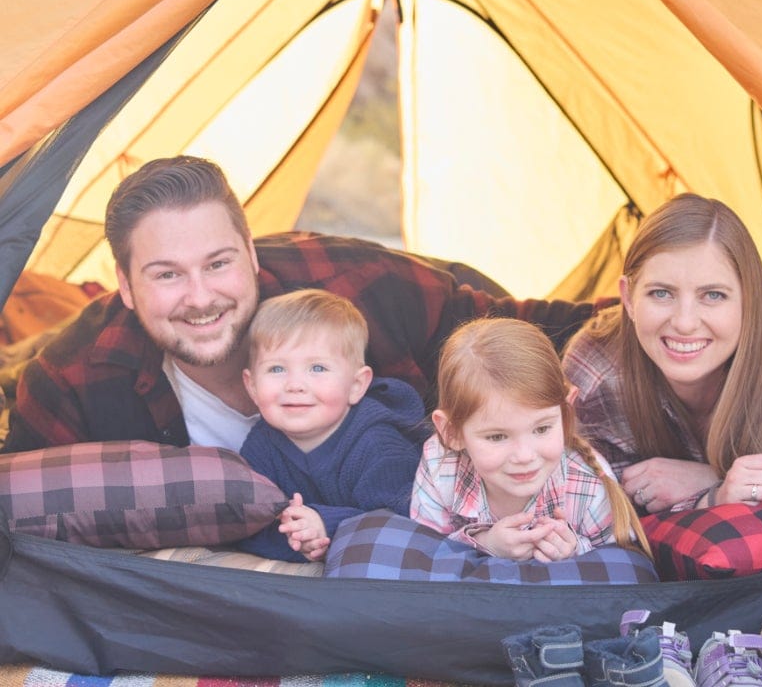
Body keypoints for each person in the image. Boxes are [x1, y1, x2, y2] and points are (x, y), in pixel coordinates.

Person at [3, 155, 600, 454]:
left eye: (218, 263)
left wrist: (666, 322)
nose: (202, 297)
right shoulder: (72, 379)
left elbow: (539, 332)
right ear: (125, 287)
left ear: (251, 255)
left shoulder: (359, 286)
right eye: (166, 275)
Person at [564, 195, 762, 516]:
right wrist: (710, 498)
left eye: (713, 295)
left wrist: (714, 481)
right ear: (628, 299)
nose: (685, 323)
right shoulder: (597, 369)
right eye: (661, 293)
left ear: (750, 302)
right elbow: (576, 509)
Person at [411, 318, 644, 561]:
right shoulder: (440, 467)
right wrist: (482, 543)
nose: (524, 456)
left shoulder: (587, 485)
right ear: (452, 432)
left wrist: (576, 552)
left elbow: (624, 566)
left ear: (566, 412)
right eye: (497, 436)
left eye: (542, 429)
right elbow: (426, 557)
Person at [235, 289, 427, 562]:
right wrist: (299, 539)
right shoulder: (260, 446)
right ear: (252, 386)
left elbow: (409, 525)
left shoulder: (378, 444)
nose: (295, 385)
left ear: (356, 385)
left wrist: (328, 525)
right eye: (277, 369)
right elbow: (248, 528)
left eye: (317, 368)